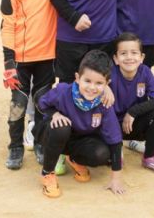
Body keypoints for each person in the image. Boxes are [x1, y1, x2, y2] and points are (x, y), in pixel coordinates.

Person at [0, 0, 57, 170]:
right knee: (18, 105)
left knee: (43, 104)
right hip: (21, 60)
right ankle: (15, 147)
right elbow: (7, 27)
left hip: (48, 57)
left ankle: (42, 143)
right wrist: (9, 63)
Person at [38, 50, 125, 198]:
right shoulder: (63, 91)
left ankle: (73, 159)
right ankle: (47, 173)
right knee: (61, 127)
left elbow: (115, 141)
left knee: (102, 153)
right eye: (87, 81)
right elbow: (41, 103)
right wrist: (55, 114)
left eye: (99, 83)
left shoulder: (104, 104)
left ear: (107, 84)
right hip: (51, 134)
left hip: (78, 139)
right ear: (78, 78)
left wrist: (116, 179)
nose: (92, 87)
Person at [110, 32, 154, 175]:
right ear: (116, 59)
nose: (129, 57)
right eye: (123, 53)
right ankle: (116, 146)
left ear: (142, 57)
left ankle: (150, 157)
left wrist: (133, 111)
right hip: (113, 126)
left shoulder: (145, 72)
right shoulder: (110, 75)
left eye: (134, 53)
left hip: (133, 123)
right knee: (112, 160)